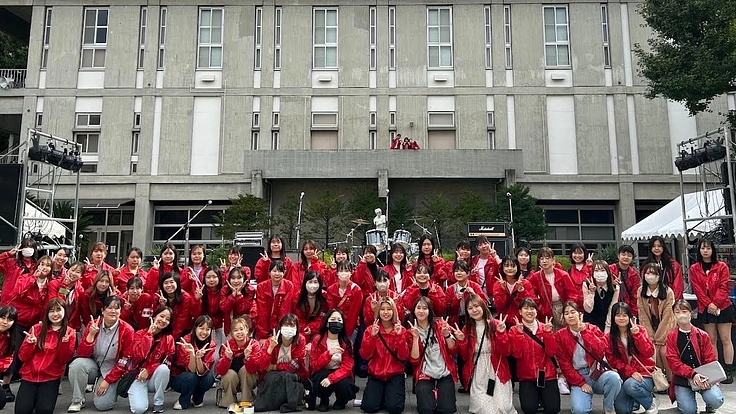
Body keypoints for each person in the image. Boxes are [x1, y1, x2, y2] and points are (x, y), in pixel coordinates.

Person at [68, 296, 136, 412]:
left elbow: (125, 360)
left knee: (103, 405)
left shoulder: (127, 330)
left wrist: (107, 380)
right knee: (77, 364)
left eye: (117, 308)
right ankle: (78, 399)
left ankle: (110, 387)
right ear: (103, 310)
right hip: (93, 364)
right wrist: (91, 335)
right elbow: (81, 353)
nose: (113, 311)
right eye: (109, 308)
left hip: (112, 368)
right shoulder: (93, 324)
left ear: (121, 311)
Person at [555, 301, 622, 414]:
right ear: (563, 317)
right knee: (580, 410)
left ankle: (608, 407)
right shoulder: (560, 336)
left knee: (614, 378)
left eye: (573, 312)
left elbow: (601, 350)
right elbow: (564, 365)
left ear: (580, 314)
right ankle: (585, 400)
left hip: (596, 372)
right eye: (566, 313)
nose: (570, 315)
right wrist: (581, 383)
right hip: (578, 376)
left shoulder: (592, 328)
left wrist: (585, 332)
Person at [15, 298, 76, 414]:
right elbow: (22, 357)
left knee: (44, 410)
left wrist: (64, 343)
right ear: (47, 313)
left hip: (50, 377)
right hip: (29, 375)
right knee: (21, 411)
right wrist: (30, 344)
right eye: (51, 311)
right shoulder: (36, 329)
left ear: (64, 311)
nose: (55, 314)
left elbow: (63, 360)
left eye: (58, 310)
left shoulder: (69, 332)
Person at [458, 295, 515, 414]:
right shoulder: (467, 328)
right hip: (478, 367)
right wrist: (462, 341)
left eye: (476, 306)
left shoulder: (496, 324)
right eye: (470, 308)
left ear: (483, 306)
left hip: (497, 367)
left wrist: (501, 334)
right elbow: (464, 356)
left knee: (502, 408)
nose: (474, 310)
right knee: (484, 408)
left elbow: (506, 351)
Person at [666, 300, 724, 414]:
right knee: (688, 410)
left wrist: (706, 378)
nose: (681, 314)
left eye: (684, 311)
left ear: (690, 313)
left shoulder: (702, 335)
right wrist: (693, 374)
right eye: (677, 312)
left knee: (716, 400)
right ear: (673, 315)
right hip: (683, 378)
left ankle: (710, 405)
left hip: (704, 376)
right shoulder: (671, 336)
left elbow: (710, 359)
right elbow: (673, 362)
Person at [689, 239, 734, 381]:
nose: (705, 251)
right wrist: (709, 305)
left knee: (726, 339)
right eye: (703, 248)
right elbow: (698, 290)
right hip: (705, 307)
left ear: (712, 250)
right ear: (699, 251)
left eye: (708, 248)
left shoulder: (722, 266)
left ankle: (728, 370)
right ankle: (716, 369)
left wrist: (716, 303)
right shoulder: (694, 268)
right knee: (711, 339)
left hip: (723, 306)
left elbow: (724, 286)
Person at [407, 296, 459, 414]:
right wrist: (415, 338)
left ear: (430, 311)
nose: (421, 311)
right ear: (414, 311)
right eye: (418, 308)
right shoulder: (410, 331)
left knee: (447, 410)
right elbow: (414, 361)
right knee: (426, 410)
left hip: (444, 372)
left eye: (425, 308)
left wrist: (446, 335)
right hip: (425, 373)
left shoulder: (440, 325)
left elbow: (453, 350)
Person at [9, 254, 54, 386]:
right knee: (14, 351)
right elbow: (17, 291)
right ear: (37, 266)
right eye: (42, 264)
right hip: (18, 321)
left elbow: (48, 305)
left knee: (29, 352)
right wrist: (33, 278)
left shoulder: (49, 285)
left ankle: (24, 380)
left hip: (34, 325)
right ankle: (6, 384)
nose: (44, 267)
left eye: (48, 265)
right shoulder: (25, 277)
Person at [606, 302, 658, 414]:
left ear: (630, 316)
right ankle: (635, 400)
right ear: (613, 317)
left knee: (631, 386)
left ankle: (650, 402)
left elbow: (649, 352)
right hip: (626, 376)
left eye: (624, 315)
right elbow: (613, 361)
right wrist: (631, 372)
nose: (621, 318)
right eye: (618, 315)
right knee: (622, 409)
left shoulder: (639, 330)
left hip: (644, 374)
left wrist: (637, 335)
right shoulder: (609, 337)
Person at [509, 299, 560, 414]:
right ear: (520, 312)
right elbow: (517, 354)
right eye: (526, 308)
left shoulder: (545, 327)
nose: (529, 311)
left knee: (553, 409)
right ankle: (537, 397)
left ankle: (542, 398)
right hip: (527, 376)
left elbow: (552, 352)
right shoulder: (514, 330)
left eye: (532, 308)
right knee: (529, 409)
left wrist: (547, 333)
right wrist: (519, 334)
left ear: (536, 312)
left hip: (547, 375)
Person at [359, 298, 409, 414]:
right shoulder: (370, 330)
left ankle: (386, 395)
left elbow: (403, 356)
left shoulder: (401, 330)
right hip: (376, 374)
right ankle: (382, 395)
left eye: (389, 309)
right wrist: (372, 337)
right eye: (382, 309)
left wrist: (399, 337)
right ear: (378, 311)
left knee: (394, 408)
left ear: (394, 311)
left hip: (395, 374)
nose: (386, 312)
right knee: (369, 407)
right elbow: (365, 356)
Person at [255, 314, 308, 413]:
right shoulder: (271, 341)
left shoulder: (301, 340)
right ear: (280, 327)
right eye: (286, 325)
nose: (289, 328)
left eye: (292, 325)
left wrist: (274, 366)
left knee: (286, 376)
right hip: (273, 375)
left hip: (292, 374)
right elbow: (262, 366)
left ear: (297, 328)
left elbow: (295, 365)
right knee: (272, 377)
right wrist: (270, 348)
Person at [310, 309, 359, 412]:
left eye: (339, 320)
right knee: (322, 375)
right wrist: (328, 354)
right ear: (327, 323)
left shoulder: (347, 343)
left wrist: (331, 379)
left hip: (340, 372)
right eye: (333, 319)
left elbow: (347, 367)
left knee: (344, 383)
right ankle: (324, 400)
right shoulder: (317, 340)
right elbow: (314, 365)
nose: (336, 322)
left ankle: (341, 400)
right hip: (323, 371)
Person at [129, 306, 175, 414]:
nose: (163, 320)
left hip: (155, 377)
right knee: (138, 410)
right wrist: (149, 335)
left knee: (164, 369)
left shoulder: (169, 339)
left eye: (167, 319)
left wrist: (149, 370)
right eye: (161, 316)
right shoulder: (139, 334)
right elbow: (137, 356)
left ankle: (158, 402)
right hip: (138, 376)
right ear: (154, 316)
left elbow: (168, 363)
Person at [637, 263, 675, 379]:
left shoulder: (668, 292)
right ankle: (660, 381)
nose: (650, 276)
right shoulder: (640, 291)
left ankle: (671, 381)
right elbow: (642, 315)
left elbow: (668, 316)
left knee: (664, 352)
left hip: (666, 329)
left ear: (659, 276)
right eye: (648, 273)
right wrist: (650, 337)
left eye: (653, 273)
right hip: (650, 330)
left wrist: (659, 338)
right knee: (653, 352)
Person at [171, 315, 216, 410]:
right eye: (201, 328)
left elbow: (201, 372)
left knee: (209, 378)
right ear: (195, 328)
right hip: (180, 378)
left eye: (208, 329)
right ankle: (183, 400)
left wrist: (199, 358)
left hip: (198, 375)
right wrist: (192, 353)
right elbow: (191, 370)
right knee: (192, 377)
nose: (204, 332)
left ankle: (197, 398)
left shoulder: (211, 344)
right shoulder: (185, 341)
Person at [215, 316, 262, 407]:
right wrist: (227, 358)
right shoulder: (227, 346)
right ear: (232, 333)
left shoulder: (254, 344)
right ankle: (229, 399)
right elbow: (220, 371)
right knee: (229, 374)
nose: (239, 332)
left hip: (249, 379)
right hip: (232, 380)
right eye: (235, 330)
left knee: (245, 370)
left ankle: (247, 398)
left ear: (247, 330)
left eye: (241, 329)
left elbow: (255, 369)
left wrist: (248, 358)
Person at [528, 248, 578, 329]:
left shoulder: (563, 275)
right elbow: (531, 295)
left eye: (547, 258)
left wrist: (567, 310)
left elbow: (572, 294)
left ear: (553, 259)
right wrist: (540, 306)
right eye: (542, 258)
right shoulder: (535, 277)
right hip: (545, 310)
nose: (544, 261)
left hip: (562, 306)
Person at [255, 260, 296, 340]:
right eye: (274, 271)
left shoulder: (288, 285)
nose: (277, 274)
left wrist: (278, 332)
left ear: (284, 273)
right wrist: (263, 335)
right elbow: (262, 313)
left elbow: (284, 310)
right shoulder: (261, 287)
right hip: (264, 328)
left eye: (280, 271)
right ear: (269, 273)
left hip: (281, 328)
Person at [493, 255, 535, 328]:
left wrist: (521, 291)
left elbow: (530, 305)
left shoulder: (525, 283)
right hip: (503, 322)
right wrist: (502, 290)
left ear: (517, 267)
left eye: (513, 266)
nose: (509, 268)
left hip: (522, 322)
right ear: (502, 268)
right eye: (506, 266)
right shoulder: (498, 284)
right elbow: (499, 306)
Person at [325, 261, 363, 338]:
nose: (344, 273)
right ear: (337, 273)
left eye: (346, 270)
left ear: (351, 272)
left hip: (351, 328)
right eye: (341, 270)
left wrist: (347, 332)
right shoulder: (331, 289)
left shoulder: (356, 290)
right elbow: (331, 310)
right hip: (334, 326)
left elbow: (354, 313)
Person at [158, 271, 198, 339]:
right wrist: (162, 307)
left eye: (171, 282)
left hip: (181, 331)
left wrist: (169, 339)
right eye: (165, 283)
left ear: (177, 283)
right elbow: (156, 317)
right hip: (163, 327)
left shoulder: (185, 298)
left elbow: (181, 322)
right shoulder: (158, 296)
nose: (169, 285)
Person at [583, 261, 620, 333]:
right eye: (596, 270)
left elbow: (611, 309)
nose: (599, 273)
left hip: (606, 322)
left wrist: (607, 328)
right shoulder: (586, 285)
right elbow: (588, 309)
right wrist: (591, 292)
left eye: (602, 270)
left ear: (608, 272)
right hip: (589, 325)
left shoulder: (615, 288)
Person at [48, 261, 85, 333]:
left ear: (81, 276)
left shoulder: (80, 290)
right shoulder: (54, 284)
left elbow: (78, 311)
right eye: (73, 270)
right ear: (67, 270)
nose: (73, 273)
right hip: (53, 320)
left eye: (78, 272)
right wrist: (64, 287)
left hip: (69, 324)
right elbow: (55, 304)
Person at [0, 239, 38, 307]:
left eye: (30, 247)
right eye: (25, 246)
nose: (28, 249)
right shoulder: (11, 263)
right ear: (21, 249)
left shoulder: (37, 266)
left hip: (27, 303)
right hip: (9, 301)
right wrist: (8, 254)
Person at [221, 266, 256, 335]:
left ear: (244, 279)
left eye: (239, 277)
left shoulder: (250, 290)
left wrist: (239, 294)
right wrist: (233, 295)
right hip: (229, 325)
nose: (236, 281)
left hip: (245, 326)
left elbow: (242, 310)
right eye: (233, 278)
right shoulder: (224, 290)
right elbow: (224, 309)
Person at [294, 271, 328, 341]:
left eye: (315, 282)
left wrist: (311, 328)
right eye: (310, 282)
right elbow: (298, 316)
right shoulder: (297, 297)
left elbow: (322, 316)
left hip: (317, 329)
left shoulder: (324, 296)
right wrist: (304, 329)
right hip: (300, 328)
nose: (313, 285)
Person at [609, 245, 640, 317]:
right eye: (623, 254)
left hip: (626, 307)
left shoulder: (634, 274)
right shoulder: (610, 269)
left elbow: (635, 296)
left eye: (629, 255)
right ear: (618, 256)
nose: (626, 257)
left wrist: (632, 314)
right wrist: (612, 284)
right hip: (610, 305)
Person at [0, 306, 17, 408]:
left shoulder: (9, 339)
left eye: (10, 319)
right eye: (2, 318)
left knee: (1, 401)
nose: (5, 322)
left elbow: (6, 361)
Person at [569, 243, 594, 310]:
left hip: (589, 304)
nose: (577, 256)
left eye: (580, 253)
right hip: (574, 305)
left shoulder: (591, 268)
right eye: (575, 253)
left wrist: (590, 267)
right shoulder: (568, 270)